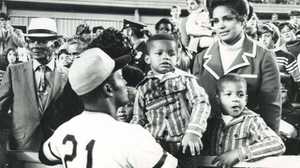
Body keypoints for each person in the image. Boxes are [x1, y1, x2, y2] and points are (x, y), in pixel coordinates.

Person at [39, 47, 178, 168]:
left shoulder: (65, 129)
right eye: (119, 77)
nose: (124, 82)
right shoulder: (131, 135)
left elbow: (44, 156)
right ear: (108, 89)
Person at [193, 0, 281, 132]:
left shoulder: (264, 56)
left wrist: (269, 143)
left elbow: (271, 109)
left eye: (227, 19)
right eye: (215, 21)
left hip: (247, 140)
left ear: (243, 20)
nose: (220, 26)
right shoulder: (201, 58)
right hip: (207, 140)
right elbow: (196, 104)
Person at [0, 18, 82, 151]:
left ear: (56, 44)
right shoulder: (14, 71)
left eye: (42, 41)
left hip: (57, 148)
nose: (35, 45)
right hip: (21, 148)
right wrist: (16, 128)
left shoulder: (69, 75)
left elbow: (76, 113)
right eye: (32, 40)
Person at [131, 34, 210, 168]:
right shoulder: (143, 87)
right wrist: (131, 138)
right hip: (154, 147)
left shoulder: (186, 80)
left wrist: (193, 131)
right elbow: (138, 118)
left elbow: (201, 103)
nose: (165, 57)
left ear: (177, 58)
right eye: (159, 53)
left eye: (171, 54)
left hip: (183, 144)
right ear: (147, 58)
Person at [202, 74, 285, 168]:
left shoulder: (252, 120)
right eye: (228, 94)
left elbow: (278, 144)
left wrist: (238, 153)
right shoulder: (212, 122)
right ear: (218, 99)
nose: (235, 99)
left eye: (240, 95)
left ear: (245, 99)